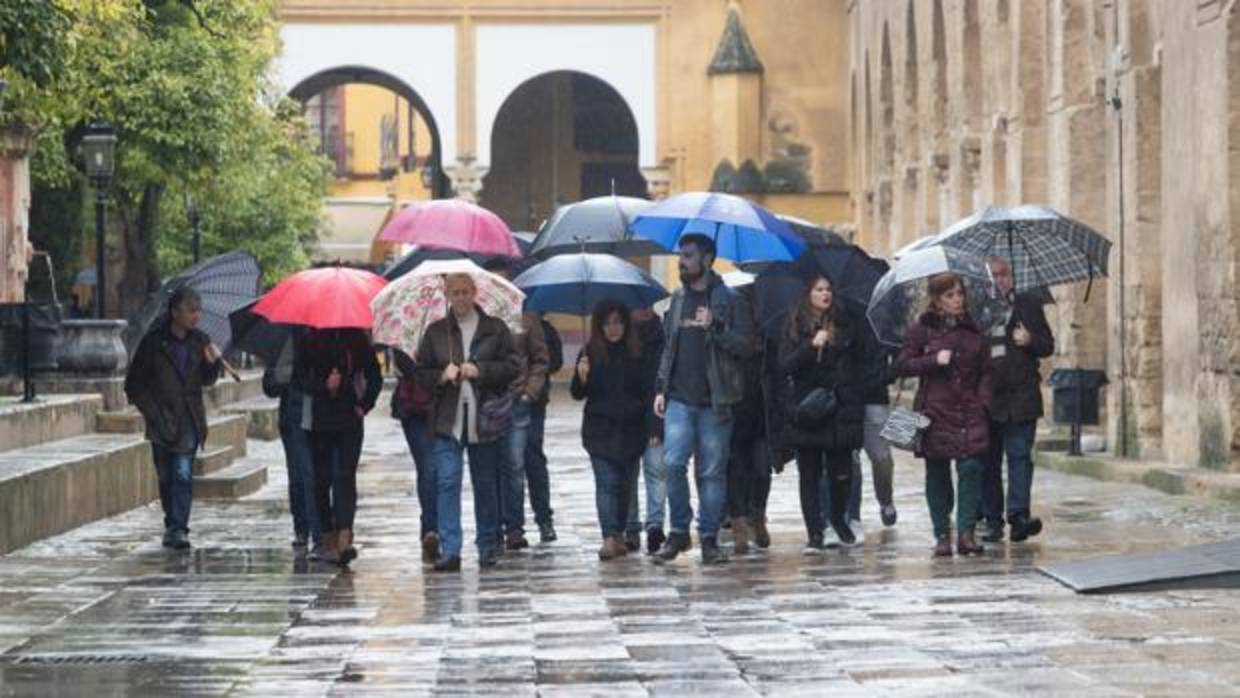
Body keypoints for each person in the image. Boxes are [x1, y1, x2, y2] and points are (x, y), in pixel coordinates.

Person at [653, 235, 753, 564]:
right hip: (679, 399)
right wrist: (660, 388)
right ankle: (679, 532)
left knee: (712, 473)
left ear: (707, 259)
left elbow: (747, 347)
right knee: (672, 464)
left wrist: (719, 328)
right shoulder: (679, 298)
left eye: (689, 256)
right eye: (681, 256)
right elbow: (669, 348)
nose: (682, 262)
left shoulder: (729, 299)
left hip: (716, 400)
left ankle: (709, 538)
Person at [415, 273, 518, 572]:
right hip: (447, 420)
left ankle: (487, 544)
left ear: (475, 293)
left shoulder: (495, 329)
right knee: (448, 481)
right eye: (454, 292)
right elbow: (420, 375)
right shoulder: (436, 332)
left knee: (485, 482)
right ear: (447, 295)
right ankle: (451, 549)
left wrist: (480, 370)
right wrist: (439, 376)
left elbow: (512, 367)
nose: (460, 297)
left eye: (465, 291)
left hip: (484, 419)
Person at [893, 272, 992, 557]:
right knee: (937, 473)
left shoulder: (974, 330)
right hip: (934, 411)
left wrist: (983, 401)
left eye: (960, 293)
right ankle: (941, 533)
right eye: (950, 295)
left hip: (969, 409)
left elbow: (986, 370)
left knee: (971, 469)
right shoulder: (921, 329)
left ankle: (966, 533)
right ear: (936, 300)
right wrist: (933, 360)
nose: (957, 300)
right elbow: (903, 364)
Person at [124, 288, 224, 550]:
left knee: (182, 473)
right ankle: (172, 523)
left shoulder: (200, 340)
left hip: (189, 418)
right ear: (175, 312)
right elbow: (134, 385)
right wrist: (153, 413)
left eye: (198, 310)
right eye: (191, 310)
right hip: (161, 420)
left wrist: (213, 363)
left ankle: (179, 528)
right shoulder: (154, 343)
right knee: (166, 476)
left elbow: (207, 379)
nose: (196, 316)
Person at [779, 276, 865, 551]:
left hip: (840, 408)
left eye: (828, 289)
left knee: (842, 472)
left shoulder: (845, 322)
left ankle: (838, 518)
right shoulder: (794, 326)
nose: (825, 294)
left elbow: (857, 361)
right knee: (810, 473)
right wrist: (810, 346)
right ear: (808, 294)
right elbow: (786, 366)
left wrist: (835, 343)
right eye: (819, 289)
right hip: (809, 409)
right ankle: (815, 531)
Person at [571, 300, 657, 560]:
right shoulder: (590, 353)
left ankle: (618, 532)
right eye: (607, 323)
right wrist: (581, 376)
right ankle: (609, 536)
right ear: (599, 326)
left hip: (631, 431)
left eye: (618, 322)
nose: (613, 328)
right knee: (606, 483)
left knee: (624, 487)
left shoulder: (638, 352)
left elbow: (647, 392)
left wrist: (652, 426)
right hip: (600, 430)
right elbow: (577, 393)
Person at [980, 257, 1055, 543]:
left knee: (1020, 457)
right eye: (994, 276)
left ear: (1011, 277)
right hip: (989, 398)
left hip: (1022, 396)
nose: (999, 280)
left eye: (1003, 274)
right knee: (989, 461)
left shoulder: (1028, 304)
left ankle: (1019, 516)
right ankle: (992, 519)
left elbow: (1048, 345)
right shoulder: (980, 311)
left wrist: (1030, 339)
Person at [295, 328, 382, 565]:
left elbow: (374, 375)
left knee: (345, 475)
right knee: (321, 479)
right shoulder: (309, 340)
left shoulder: (356, 340)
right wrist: (323, 385)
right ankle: (327, 536)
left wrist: (364, 405)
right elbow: (299, 378)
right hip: (318, 421)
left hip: (349, 419)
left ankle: (345, 535)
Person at [482, 258, 550, 552]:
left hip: (519, 401)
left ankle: (515, 528)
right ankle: (493, 526)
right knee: (490, 466)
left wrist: (529, 393)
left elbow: (541, 359)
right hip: (489, 401)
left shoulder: (526, 317)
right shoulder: (481, 318)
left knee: (514, 464)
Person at [725, 286, 772, 554]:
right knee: (736, 471)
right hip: (734, 411)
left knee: (762, 469)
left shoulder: (769, 340)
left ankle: (758, 516)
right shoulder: (731, 338)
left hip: (761, 416)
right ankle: (739, 525)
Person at [262, 334, 316, 554]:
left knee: (319, 476)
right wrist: (289, 373)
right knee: (298, 477)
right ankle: (302, 528)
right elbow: (269, 385)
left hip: (325, 417)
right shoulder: (287, 341)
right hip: (293, 417)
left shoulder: (335, 336)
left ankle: (322, 528)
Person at [626, 306, 667, 555]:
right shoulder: (620, 338)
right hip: (627, 419)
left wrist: (656, 424)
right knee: (629, 477)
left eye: (647, 306)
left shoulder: (662, 336)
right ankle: (631, 528)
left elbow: (661, 384)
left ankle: (655, 526)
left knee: (656, 471)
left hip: (656, 414)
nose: (642, 311)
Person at [392, 349, 438, 563]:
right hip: (414, 407)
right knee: (427, 467)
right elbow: (401, 364)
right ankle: (431, 529)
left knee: (444, 471)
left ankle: (442, 527)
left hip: (446, 405)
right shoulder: (405, 328)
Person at [526, 315, 563, 543]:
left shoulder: (542, 329)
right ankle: (511, 526)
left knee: (533, 458)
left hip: (533, 402)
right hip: (499, 402)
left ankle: (543, 519)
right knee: (506, 465)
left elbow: (554, 362)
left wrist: (531, 387)